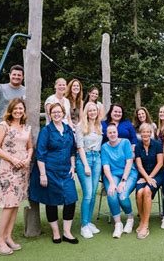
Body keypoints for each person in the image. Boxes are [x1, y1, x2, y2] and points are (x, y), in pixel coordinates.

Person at [29, 103, 79, 244]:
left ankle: (67, 232)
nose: (56, 114)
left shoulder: (68, 129)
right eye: (53, 112)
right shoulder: (46, 130)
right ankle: (56, 232)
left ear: (63, 113)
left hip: (66, 170)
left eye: (59, 112)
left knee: (71, 199)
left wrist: (73, 165)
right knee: (51, 201)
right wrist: (43, 174)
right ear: (50, 115)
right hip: (50, 170)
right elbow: (41, 153)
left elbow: (72, 150)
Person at [0, 98, 32, 255]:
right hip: (8, 170)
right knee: (8, 205)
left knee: (15, 205)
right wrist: (13, 159)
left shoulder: (25, 127)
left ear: (24, 111)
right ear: (11, 110)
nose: (18, 111)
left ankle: (8, 237)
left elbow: (30, 147)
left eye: (21, 109)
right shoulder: (4, 126)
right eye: (15, 109)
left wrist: (27, 158)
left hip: (22, 170)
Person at [101, 123, 138, 238]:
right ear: (107, 134)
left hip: (128, 173)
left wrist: (123, 181)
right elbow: (106, 166)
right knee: (111, 193)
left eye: (114, 132)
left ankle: (130, 218)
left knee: (122, 195)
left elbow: (129, 162)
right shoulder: (104, 147)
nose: (112, 134)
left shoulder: (125, 142)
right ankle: (118, 224)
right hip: (112, 174)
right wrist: (112, 183)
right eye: (110, 133)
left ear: (117, 132)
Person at [75, 102, 103, 239]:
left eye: (94, 110)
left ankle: (89, 222)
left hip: (97, 158)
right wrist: (85, 165)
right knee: (88, 193)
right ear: (86, 112)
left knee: (93, 194)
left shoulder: (99, 126)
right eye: (90, 110)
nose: (92, 112)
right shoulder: (80, 126)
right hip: (84, 158)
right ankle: (84, 226)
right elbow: (79, 147)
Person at [134, 123, 164, 239]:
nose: (145, 134)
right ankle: (142, 221)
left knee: (147, 191)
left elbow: (160, 163)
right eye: (143, 132)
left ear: (150, 133)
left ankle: (145, 225)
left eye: (147, 132)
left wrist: (150, 178)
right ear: (140, 134)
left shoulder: (157, 144)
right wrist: (146, 178)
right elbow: (139, 165)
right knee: (139, 193)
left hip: (156, 174)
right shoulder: (138, 146)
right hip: (143, 175)